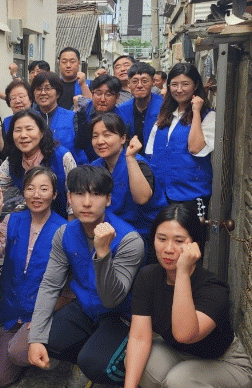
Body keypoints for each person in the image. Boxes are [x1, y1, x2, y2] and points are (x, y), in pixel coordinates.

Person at [28, 165, 145, 385]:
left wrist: (103, 254)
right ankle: (94, 354)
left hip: (121, 316)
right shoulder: (64, 233)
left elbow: (111, 300)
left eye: (96, 194)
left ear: (108, 199)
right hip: (86, 308)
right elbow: (50, 285)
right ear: (69, 198)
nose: (87, 202)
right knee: (45, 338)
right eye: (79, 194)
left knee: (94, 363)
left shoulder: (130, 240)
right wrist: (35, 338)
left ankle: (125, 369)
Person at [123, 203, 252, 388]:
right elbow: (139, 337)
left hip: (224, 363)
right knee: (139, 362)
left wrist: (182, 272)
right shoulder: (148, 277)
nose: (168, 249)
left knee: (178, 381)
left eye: (179, 241)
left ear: (195, 245)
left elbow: (184, 334)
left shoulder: (213, 287)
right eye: (161, 239)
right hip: (179, 354)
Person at [0, 167, 67, 387]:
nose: (36, 195)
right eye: (30, 188)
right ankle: (23, 347)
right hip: (13, 312)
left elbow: (69, 287)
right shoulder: (12, 220)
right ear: (23, 192)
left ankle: (53, 353)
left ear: (54, 194)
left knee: (17, 352)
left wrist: (44, 316)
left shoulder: (64, 229)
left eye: (44, 189)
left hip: (44, 313)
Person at [89, 113, 167, 263]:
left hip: (143, 237)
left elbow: (142, 198)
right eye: (95, 136)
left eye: (107, 135)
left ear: (123, 138)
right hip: (110, 234)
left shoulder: (138, 163)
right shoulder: (95, 167)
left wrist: (130, 158)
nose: (100, 141)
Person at [146, 63, 215, 209]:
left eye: (185, 84)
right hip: (160, 195)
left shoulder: (208, 116)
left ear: (196, 85)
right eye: (174, 84)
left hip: (190, 195)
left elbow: (196, 148)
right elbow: (151, 153)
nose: (179, 90)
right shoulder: (164, 116)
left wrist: (196, 112)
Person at [0, 109, 77, 219]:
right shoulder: (13, 160)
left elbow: (74, 200)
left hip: (62, 220)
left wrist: (69, 228)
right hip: (33, 219)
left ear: (42, 133)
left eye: (29, 129)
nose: (23, 135)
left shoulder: (62, 157)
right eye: (18, 130)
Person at [31, 71, 88, 164]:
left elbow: (83, 145)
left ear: (58, 93)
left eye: (48, 88)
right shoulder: (30, 119)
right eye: (38, 89)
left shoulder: (73, 117)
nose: (43, 93)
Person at [115, 62, 164, 155]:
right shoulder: (122, 110)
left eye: (144, 81)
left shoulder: (164, 107)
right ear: (128, 83)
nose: (139, 85)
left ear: (153, 82)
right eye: (135, 81)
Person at [75, 74, 122, 162]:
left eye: (108, 94)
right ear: (92, 94)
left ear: (117, 97)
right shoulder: (83, 111)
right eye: (98, 93)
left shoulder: (122, 118)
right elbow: (79, 144)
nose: (102, 99)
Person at [0, 80, 33, 154]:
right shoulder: (7, 122)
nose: (17, 101)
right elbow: (3, 152)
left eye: (21, 96)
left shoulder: (39, 119)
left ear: (31, 99)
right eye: (13, 98)